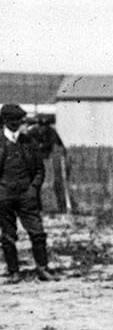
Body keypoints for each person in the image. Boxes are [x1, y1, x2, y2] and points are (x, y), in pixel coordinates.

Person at [0, 104, 51, 282]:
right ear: (5, 121)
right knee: (7, 235)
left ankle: (43, 269)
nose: (17, 124)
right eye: (13, 120)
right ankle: (14, 272)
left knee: (37, 232)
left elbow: (39, 169)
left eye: (19, 120)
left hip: (26, 196)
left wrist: (33, 189)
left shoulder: (28, 142)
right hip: (4, 196)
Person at [28, 114, 70, 213]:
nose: (43, 128)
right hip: (33, 161)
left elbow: (60, 145)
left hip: (48, 160)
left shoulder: (51, 132)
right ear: (37, 125)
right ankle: (37, 208)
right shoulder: (32, 132)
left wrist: (63, 155)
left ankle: (60, 208)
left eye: (45, 125)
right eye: (40, 125)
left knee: (54, 184)